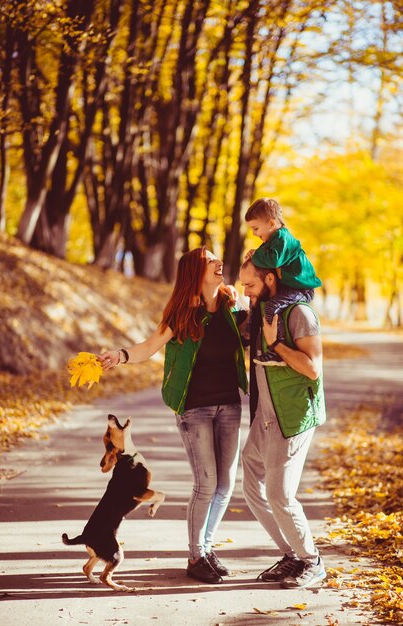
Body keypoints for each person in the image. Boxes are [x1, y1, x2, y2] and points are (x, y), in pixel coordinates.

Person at [99, 247, 248, 584]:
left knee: (225, 484)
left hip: (229, 405)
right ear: (194, 271)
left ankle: (206, 549)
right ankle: (196, 556)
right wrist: (120, 355)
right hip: (194, 408)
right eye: (209, 260)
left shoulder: (231, 306)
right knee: (206, 482)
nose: (217, 262)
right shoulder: (182, 315)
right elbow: (148, 347)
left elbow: (259, 310)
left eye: (216, 258)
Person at [239, 257, 327, 589]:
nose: (245, 291)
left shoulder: (299, 315)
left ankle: (311, 561)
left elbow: (312, 368)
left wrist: (276, 344)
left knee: (280, 494)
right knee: (252, 486)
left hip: (292, 416)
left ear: (272, 280)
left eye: (250, 285)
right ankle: (292, 554)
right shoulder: (264, 313)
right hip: (266, 416)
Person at [244, 197, 321, 366]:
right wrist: (255, 253)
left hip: (301, 289)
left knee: (272, 307)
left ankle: (276, 351)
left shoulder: (282, 238)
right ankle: (249, 333)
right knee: (257, 298)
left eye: (256, 228)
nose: (254, 234)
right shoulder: (273, 239)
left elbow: (274, 260)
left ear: (271, 223)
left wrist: (256, 255)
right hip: (290, 286)